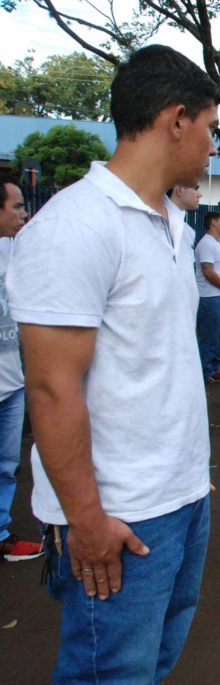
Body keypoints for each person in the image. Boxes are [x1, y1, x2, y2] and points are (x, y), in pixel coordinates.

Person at [8, 45, 220, 681]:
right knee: (111, 672)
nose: (213, 145)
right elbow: (52, 388)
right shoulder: (76, 226)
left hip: (179, 497)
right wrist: (87, 520)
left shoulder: (169, 223)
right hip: (120, 515)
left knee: (152, 662)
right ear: (176, 119)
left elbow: (157, 363)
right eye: (210, 127)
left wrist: (189, 475)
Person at [0, 173, 43, 562]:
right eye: (16, 206)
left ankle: (1, 533)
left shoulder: (12, 248)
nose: (24, 213)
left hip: (11, 382)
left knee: (6, 465)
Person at [194, 211, 220, 383]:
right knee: (209, 336)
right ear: (213, 223)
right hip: (210, 297)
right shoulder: (206, 244)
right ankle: (205, 371)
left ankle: (215, 367)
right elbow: (208, 271)